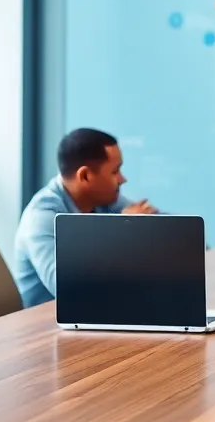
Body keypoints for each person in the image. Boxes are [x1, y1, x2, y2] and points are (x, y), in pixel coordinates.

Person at [13, 128, 157, 307]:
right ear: (85, 176)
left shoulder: (105, 200)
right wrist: (121, 228)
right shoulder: (41, 218)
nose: (122, 179)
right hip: (48, 326)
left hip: (99, 311)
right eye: (115, 171)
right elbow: (68, 287)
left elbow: (156, 220)